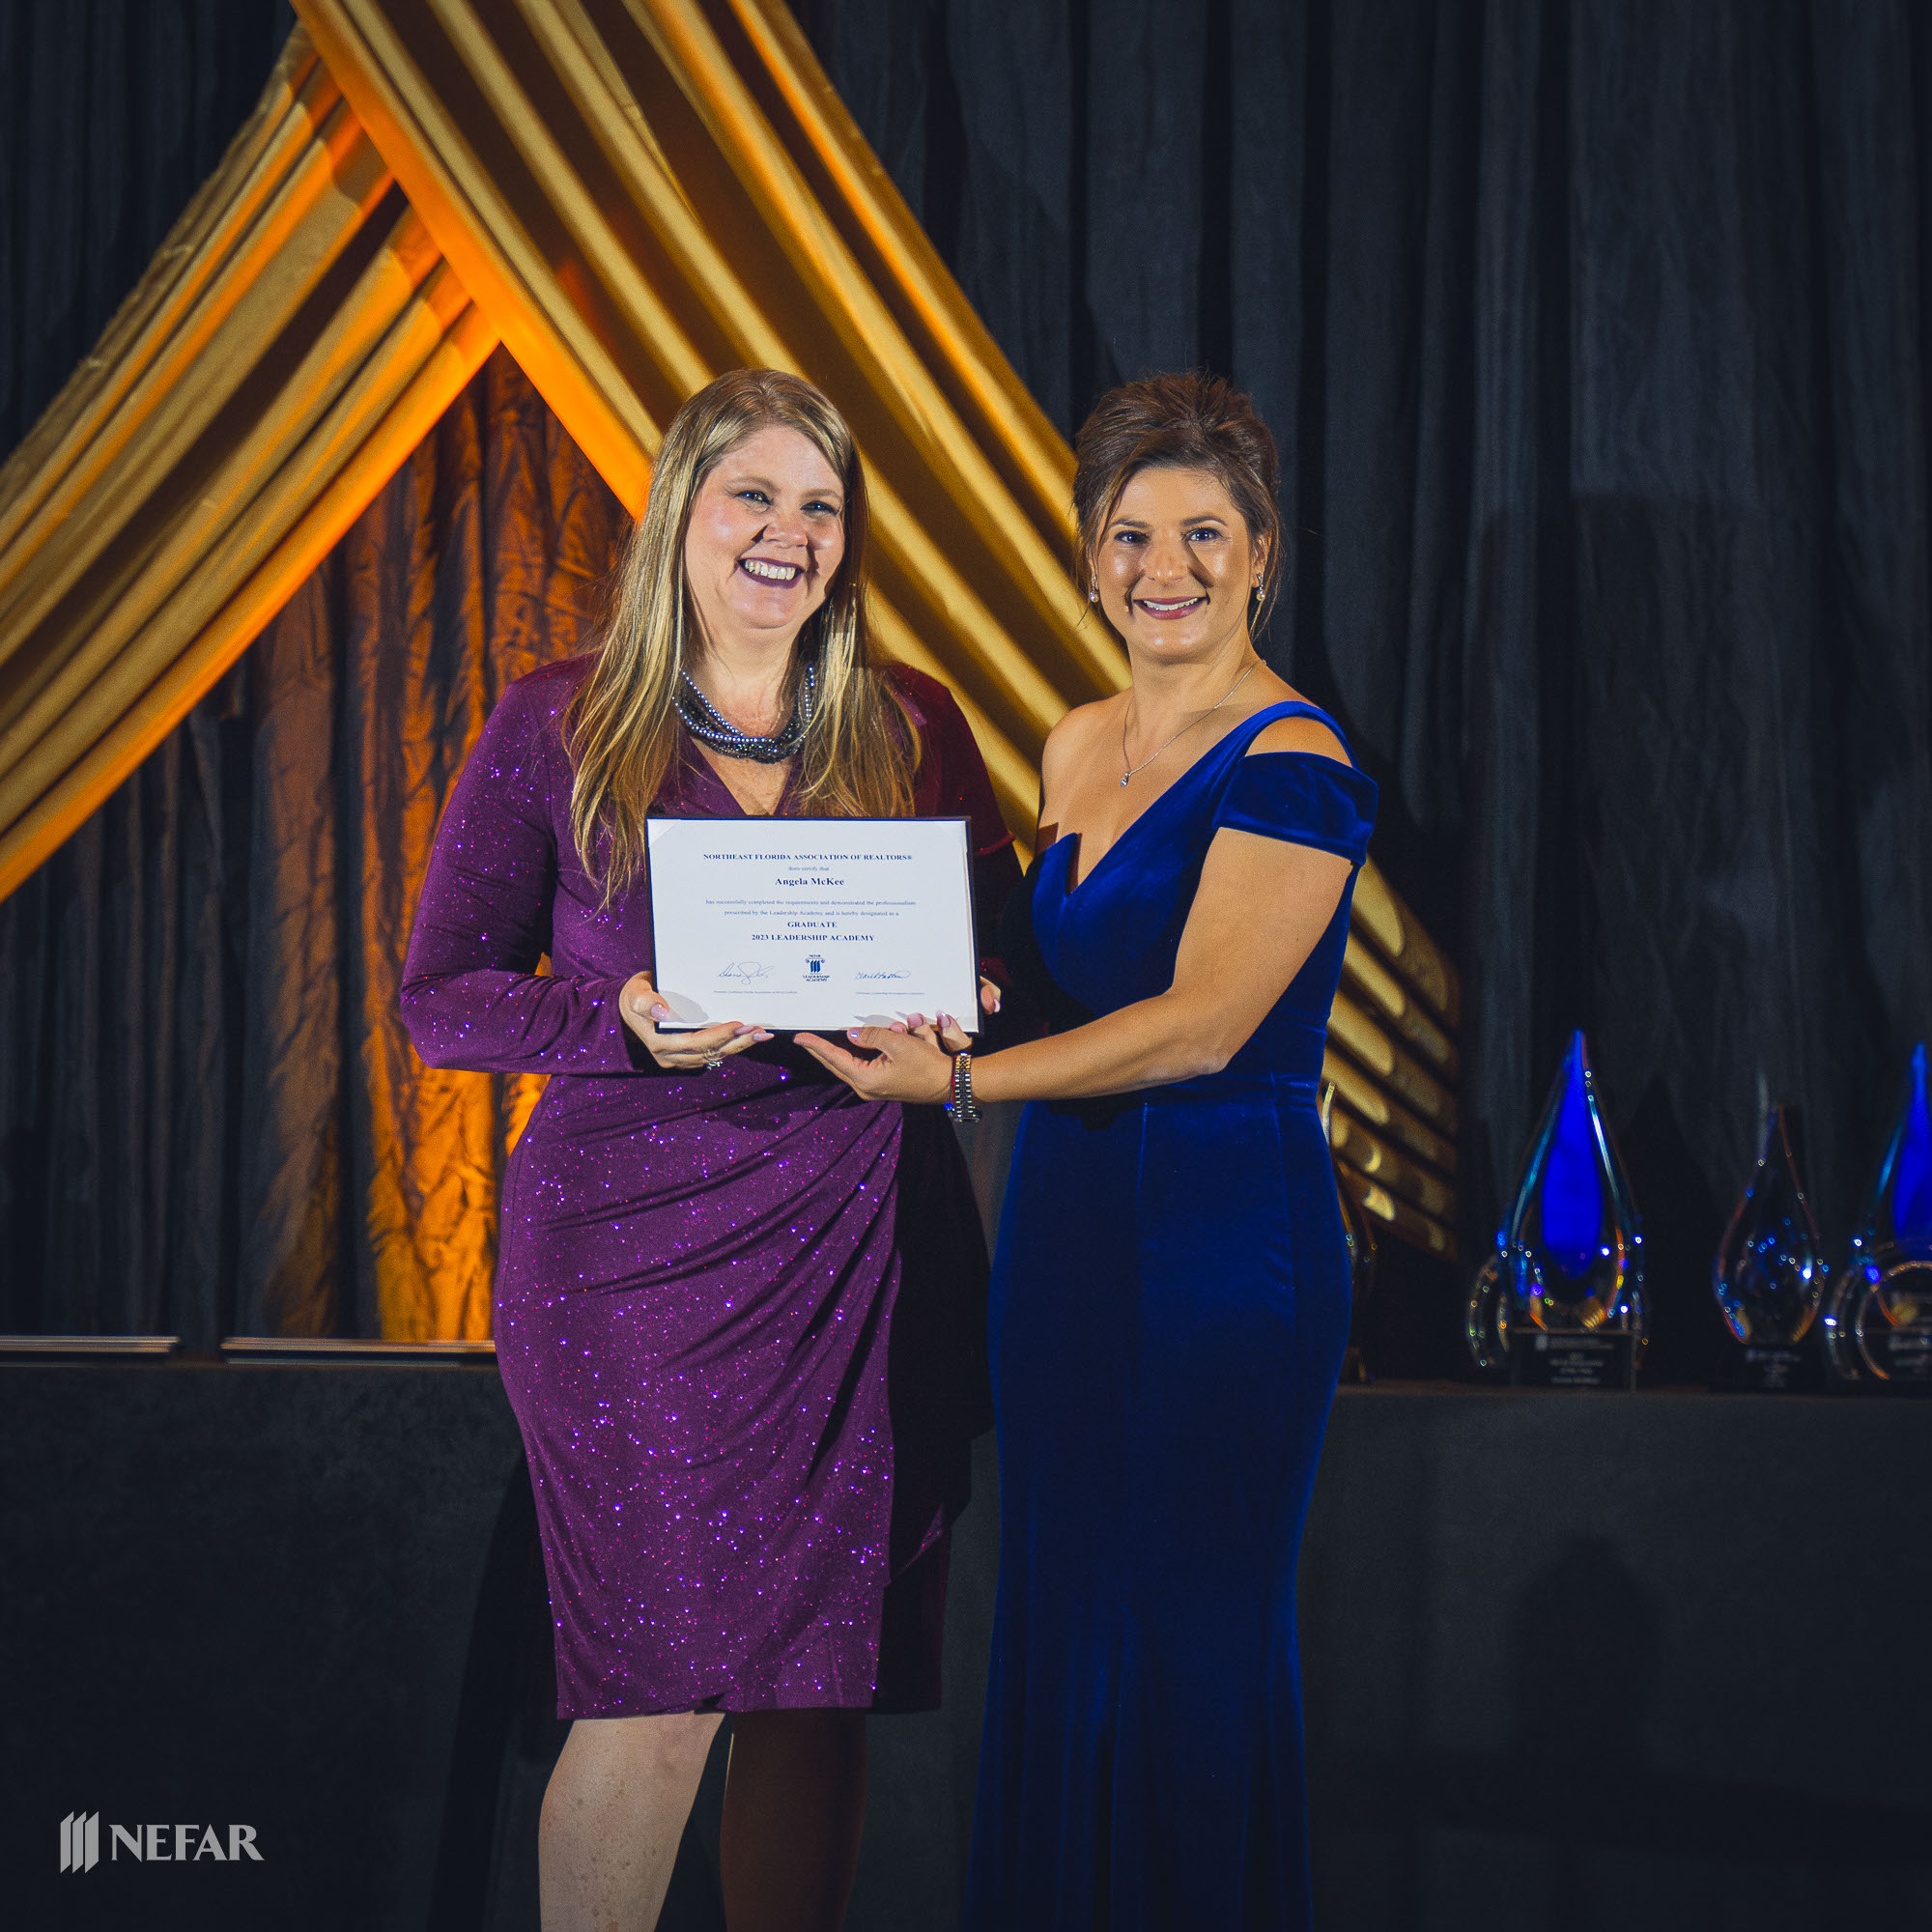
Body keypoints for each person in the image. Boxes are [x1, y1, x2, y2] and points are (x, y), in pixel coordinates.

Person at [401, 367, 1017, 1932]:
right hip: (628, 1268)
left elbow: (996, 958)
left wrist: (966, 1011)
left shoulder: (913, 723)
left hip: (860, 1252)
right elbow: (440, 997)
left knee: (819, 1694)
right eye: (754, 495)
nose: (786, 532)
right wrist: (610, 1018)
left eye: (820, 506)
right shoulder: (556, 720)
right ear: (682, 511)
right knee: (657, 1693)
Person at [798, 370, 1378, 1929]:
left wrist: (956, 1081)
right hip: (1062, 1226)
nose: (1163, 568)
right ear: (1090, 556)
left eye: (1203, 535)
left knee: (1191, 1630)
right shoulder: (1072, 743)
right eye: (1130, 534)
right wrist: (935, 989)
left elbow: (1200, 1027)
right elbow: (1049, 986)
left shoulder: (1297, 759)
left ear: (1261, 555)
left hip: (1224, 1229)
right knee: (1059, 1614)